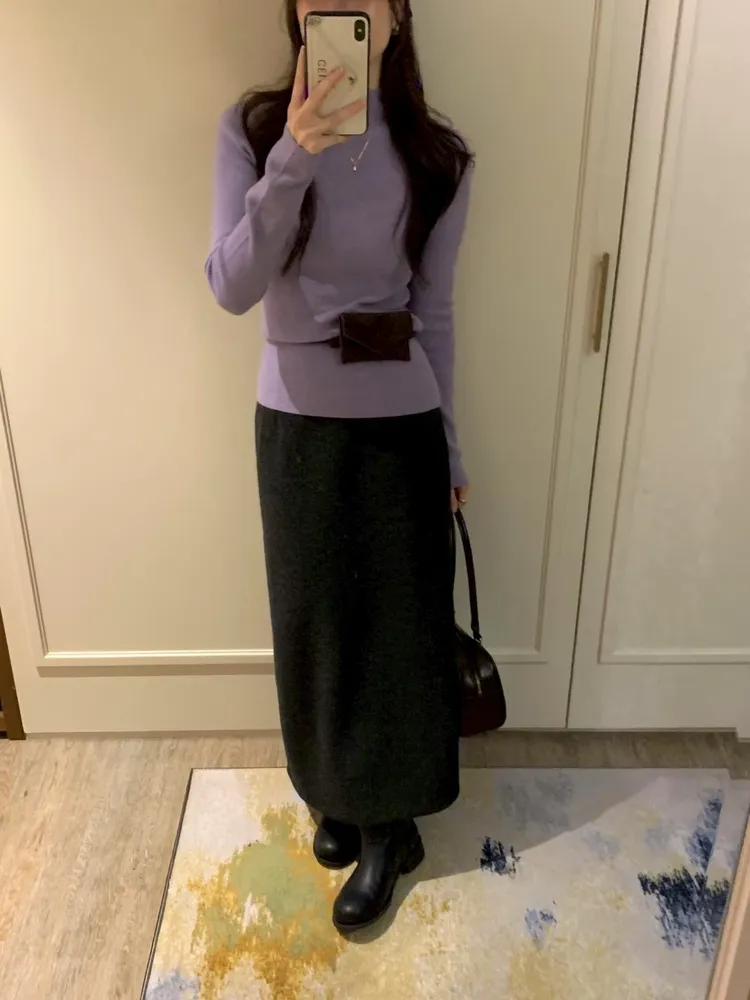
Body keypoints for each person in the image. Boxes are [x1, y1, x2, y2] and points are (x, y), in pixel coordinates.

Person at [206, 0, 473, 934]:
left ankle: (389, 827)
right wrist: (295, 155)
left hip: (402, 422)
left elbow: (435, 314)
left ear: (396, 15)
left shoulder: (437, 156)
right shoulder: (252, 132)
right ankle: (335, 792)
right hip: (295, 423)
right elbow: (232, 286)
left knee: (397, 631)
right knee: (315, 621)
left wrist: (451, 449)